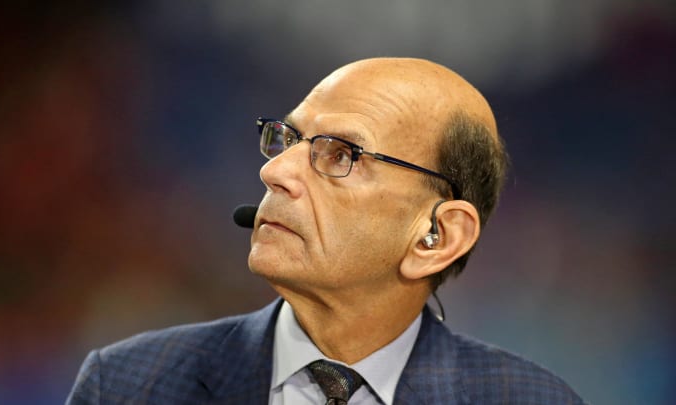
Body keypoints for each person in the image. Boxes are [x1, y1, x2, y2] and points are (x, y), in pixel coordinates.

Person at [66, 57, 585, 404]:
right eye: (288, 139)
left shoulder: (533, 398)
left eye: (342, 154)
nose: (275, 171)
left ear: (438, 235)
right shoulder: (127, 385)